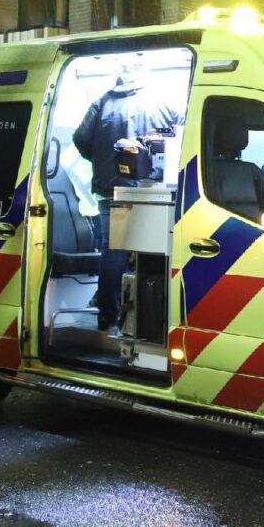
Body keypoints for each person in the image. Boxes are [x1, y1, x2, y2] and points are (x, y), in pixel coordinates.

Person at [73, 65, 182, 334]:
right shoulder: (160, 99)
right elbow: (182, 126)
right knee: (154, 252)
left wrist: (104, 160)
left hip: (112, 191)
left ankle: (107, 316)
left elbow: (80, 138)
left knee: (113, 251)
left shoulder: (103, 102)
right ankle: (151, 319)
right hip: (153, 190)